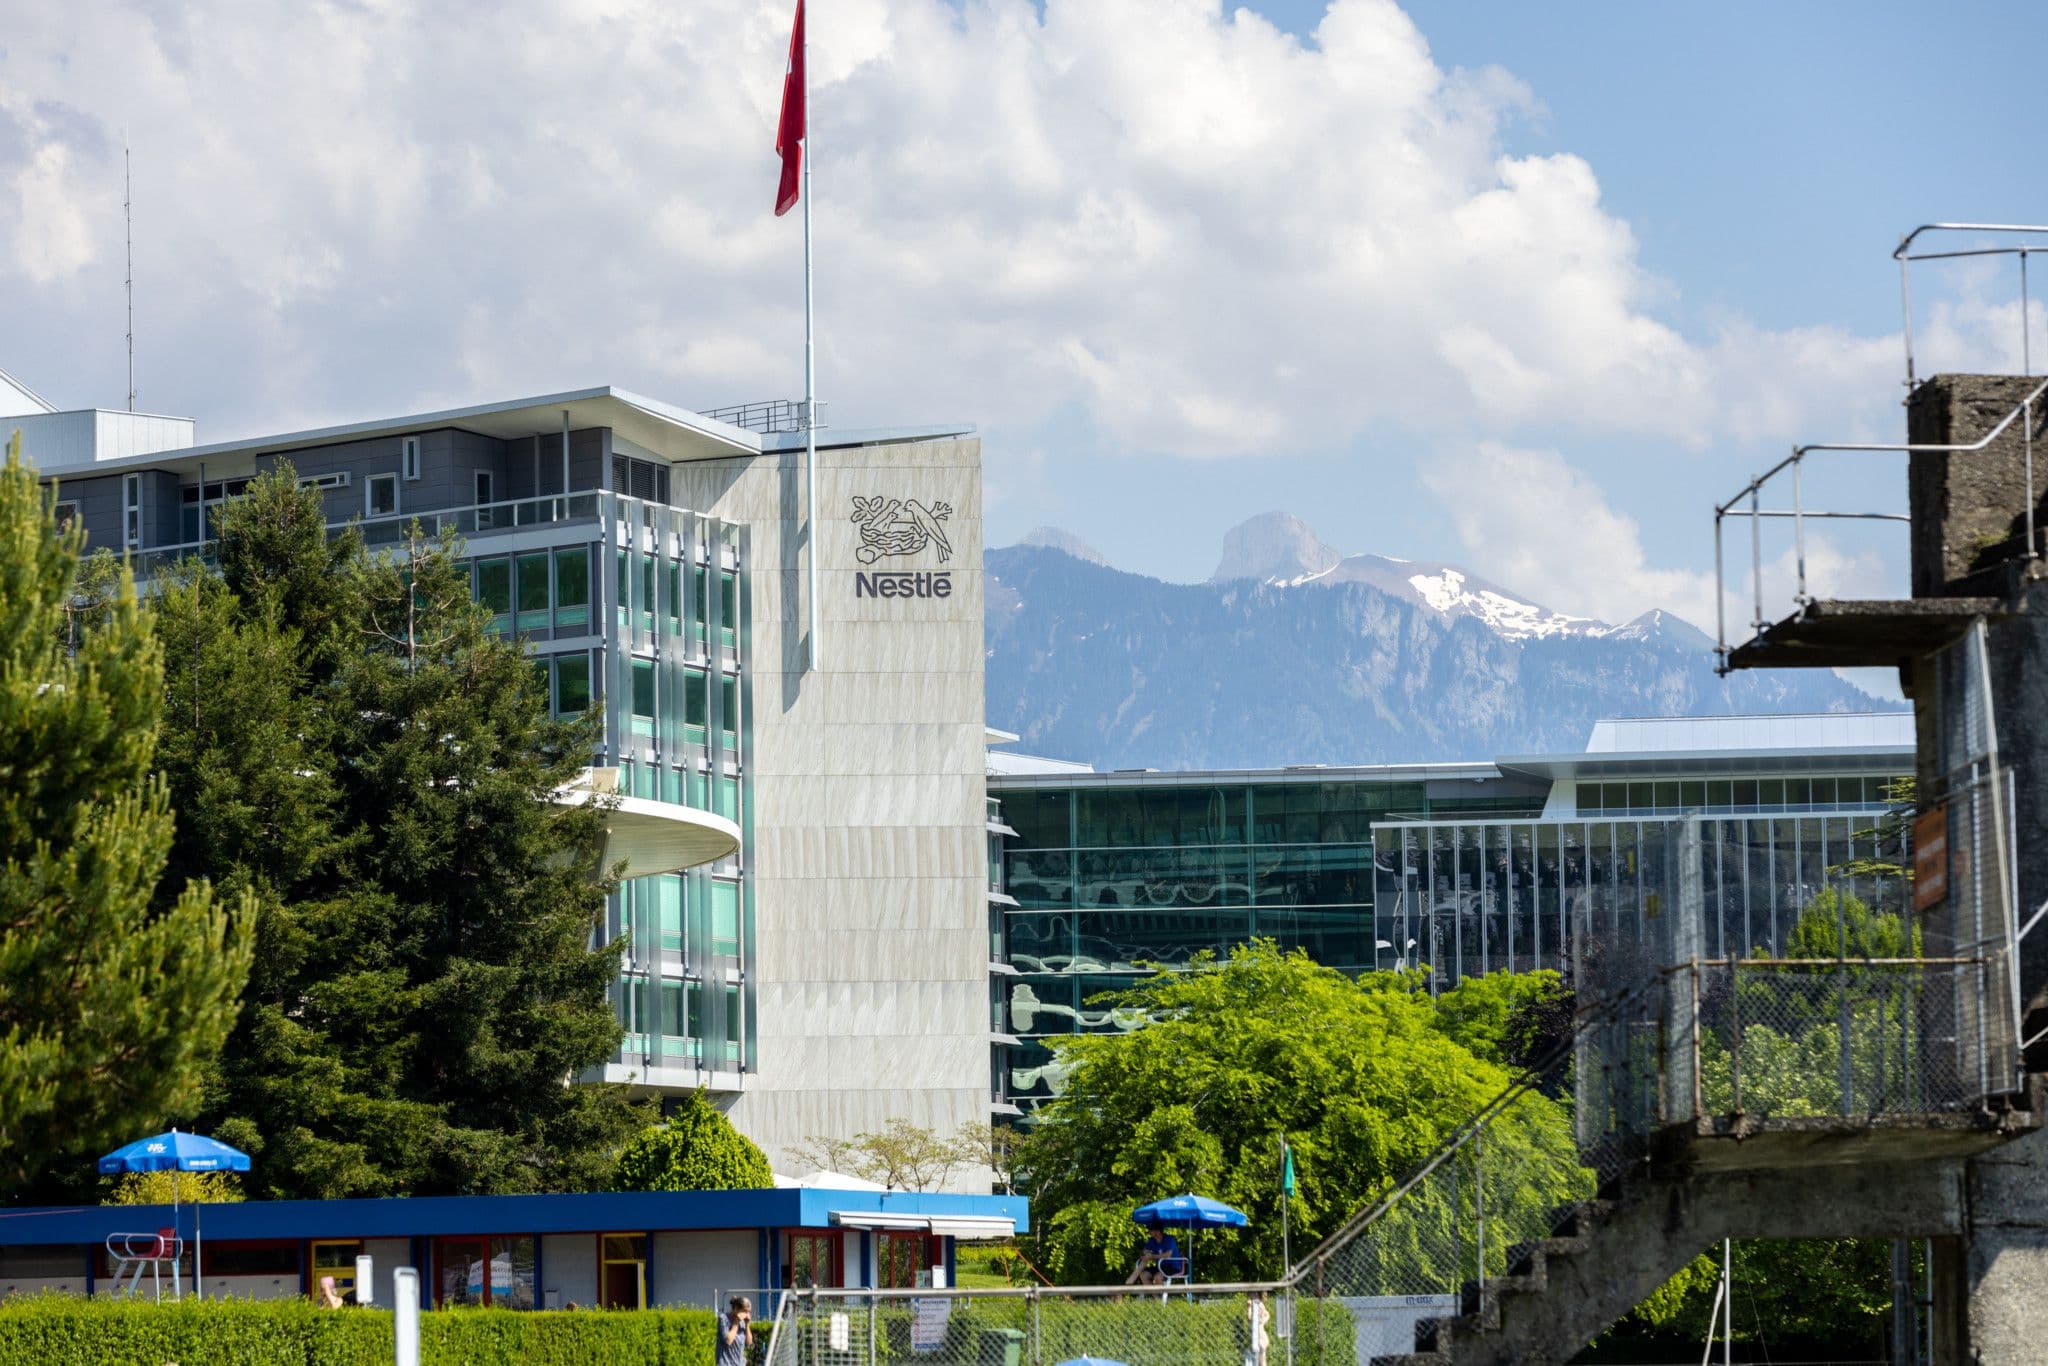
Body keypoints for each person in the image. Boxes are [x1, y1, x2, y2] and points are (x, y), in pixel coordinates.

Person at [719, 1295, 753, 1366]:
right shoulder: (723, 1318)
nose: (747, 1315)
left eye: (748, 1312)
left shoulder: (743, 1321)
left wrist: (747, 1324)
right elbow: (727, 1341)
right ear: (736, 1308)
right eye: (745, 1311)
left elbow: (749, 1343)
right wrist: (736, 1322)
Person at [1246, 1289, 1271, 1366]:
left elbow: (1267, 1314)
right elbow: (1250, 1318)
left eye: (1255, 1293)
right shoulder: (1254, 1303)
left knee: (1262, 1354)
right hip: (1258, 1331)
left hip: (1260, 1330)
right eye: (1252, 1293)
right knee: (1262, 1354)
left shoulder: (1259, 1304)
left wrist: (1262, 1322)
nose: (1253, 1295)